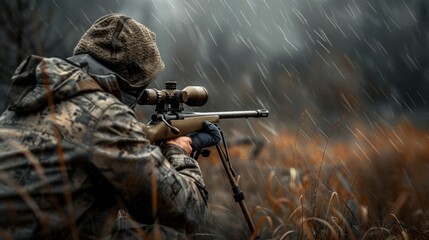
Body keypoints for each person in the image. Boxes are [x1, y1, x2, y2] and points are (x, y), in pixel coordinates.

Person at [0, 13, 220, 240]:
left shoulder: (34, 94)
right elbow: (186, 213)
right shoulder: (106, 115)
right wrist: (179, 151)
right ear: (132, 83)